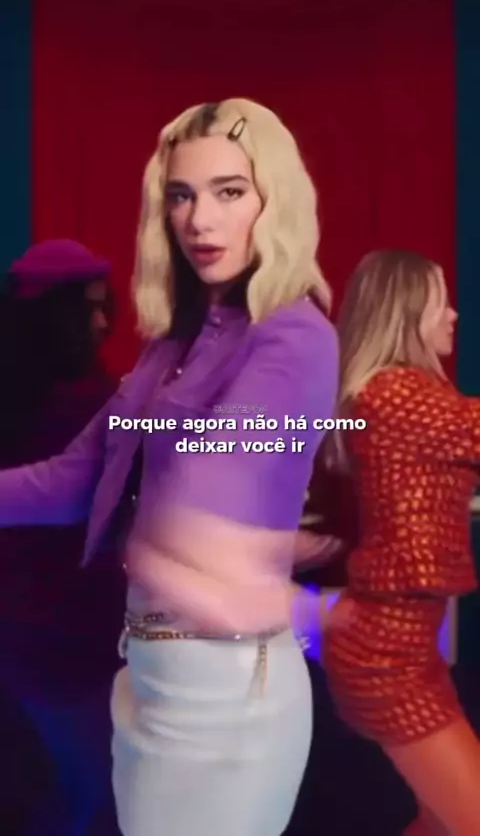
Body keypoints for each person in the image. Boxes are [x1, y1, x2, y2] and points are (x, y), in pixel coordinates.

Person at [0, 100, 343, 836]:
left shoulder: (293, 335)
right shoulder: (175, 345)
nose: (199, 220)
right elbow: (73, 477)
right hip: (151, 671)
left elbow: (209, 494)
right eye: (182, 196)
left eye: (229, 192)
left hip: (227, 689)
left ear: (274, 201)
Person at [323, 249, 480, 835]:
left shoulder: (400, 394)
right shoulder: (395, 394)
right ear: (407, 311)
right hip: (387, 658)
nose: (454, 315)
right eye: (442, 302)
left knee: (441, 823)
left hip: (405, 649)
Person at [0, 240, 124, 835]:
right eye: (89, 309)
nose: (102, 323)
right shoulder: (87, 402)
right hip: (66, 636)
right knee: (93, 793)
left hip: (26, 635)